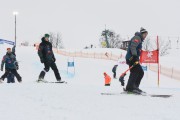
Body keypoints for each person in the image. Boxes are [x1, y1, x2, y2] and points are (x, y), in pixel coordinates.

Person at [125, 27, 148, 93]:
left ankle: (133, 86)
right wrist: (135, 56)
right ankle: (131, 87)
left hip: (133, 58)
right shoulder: (137, 37)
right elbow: (133, 46)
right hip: (132, 57)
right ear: (142, 33)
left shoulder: (139, 39)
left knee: (140, 72)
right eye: (145, 35)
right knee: (136, 71)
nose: (145, 36)